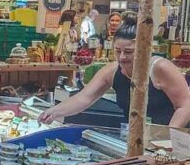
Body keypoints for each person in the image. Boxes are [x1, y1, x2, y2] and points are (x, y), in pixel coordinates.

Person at [39, 14, 190, 132]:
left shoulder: (160, 67)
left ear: (144, 49)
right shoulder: (112, 70)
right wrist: (54, 112)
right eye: (118, 51)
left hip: (172, 141)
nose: (122, 57)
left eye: (129, 52)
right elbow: (84, 98)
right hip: (136, 138)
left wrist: (168, 137)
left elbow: (185, 106)